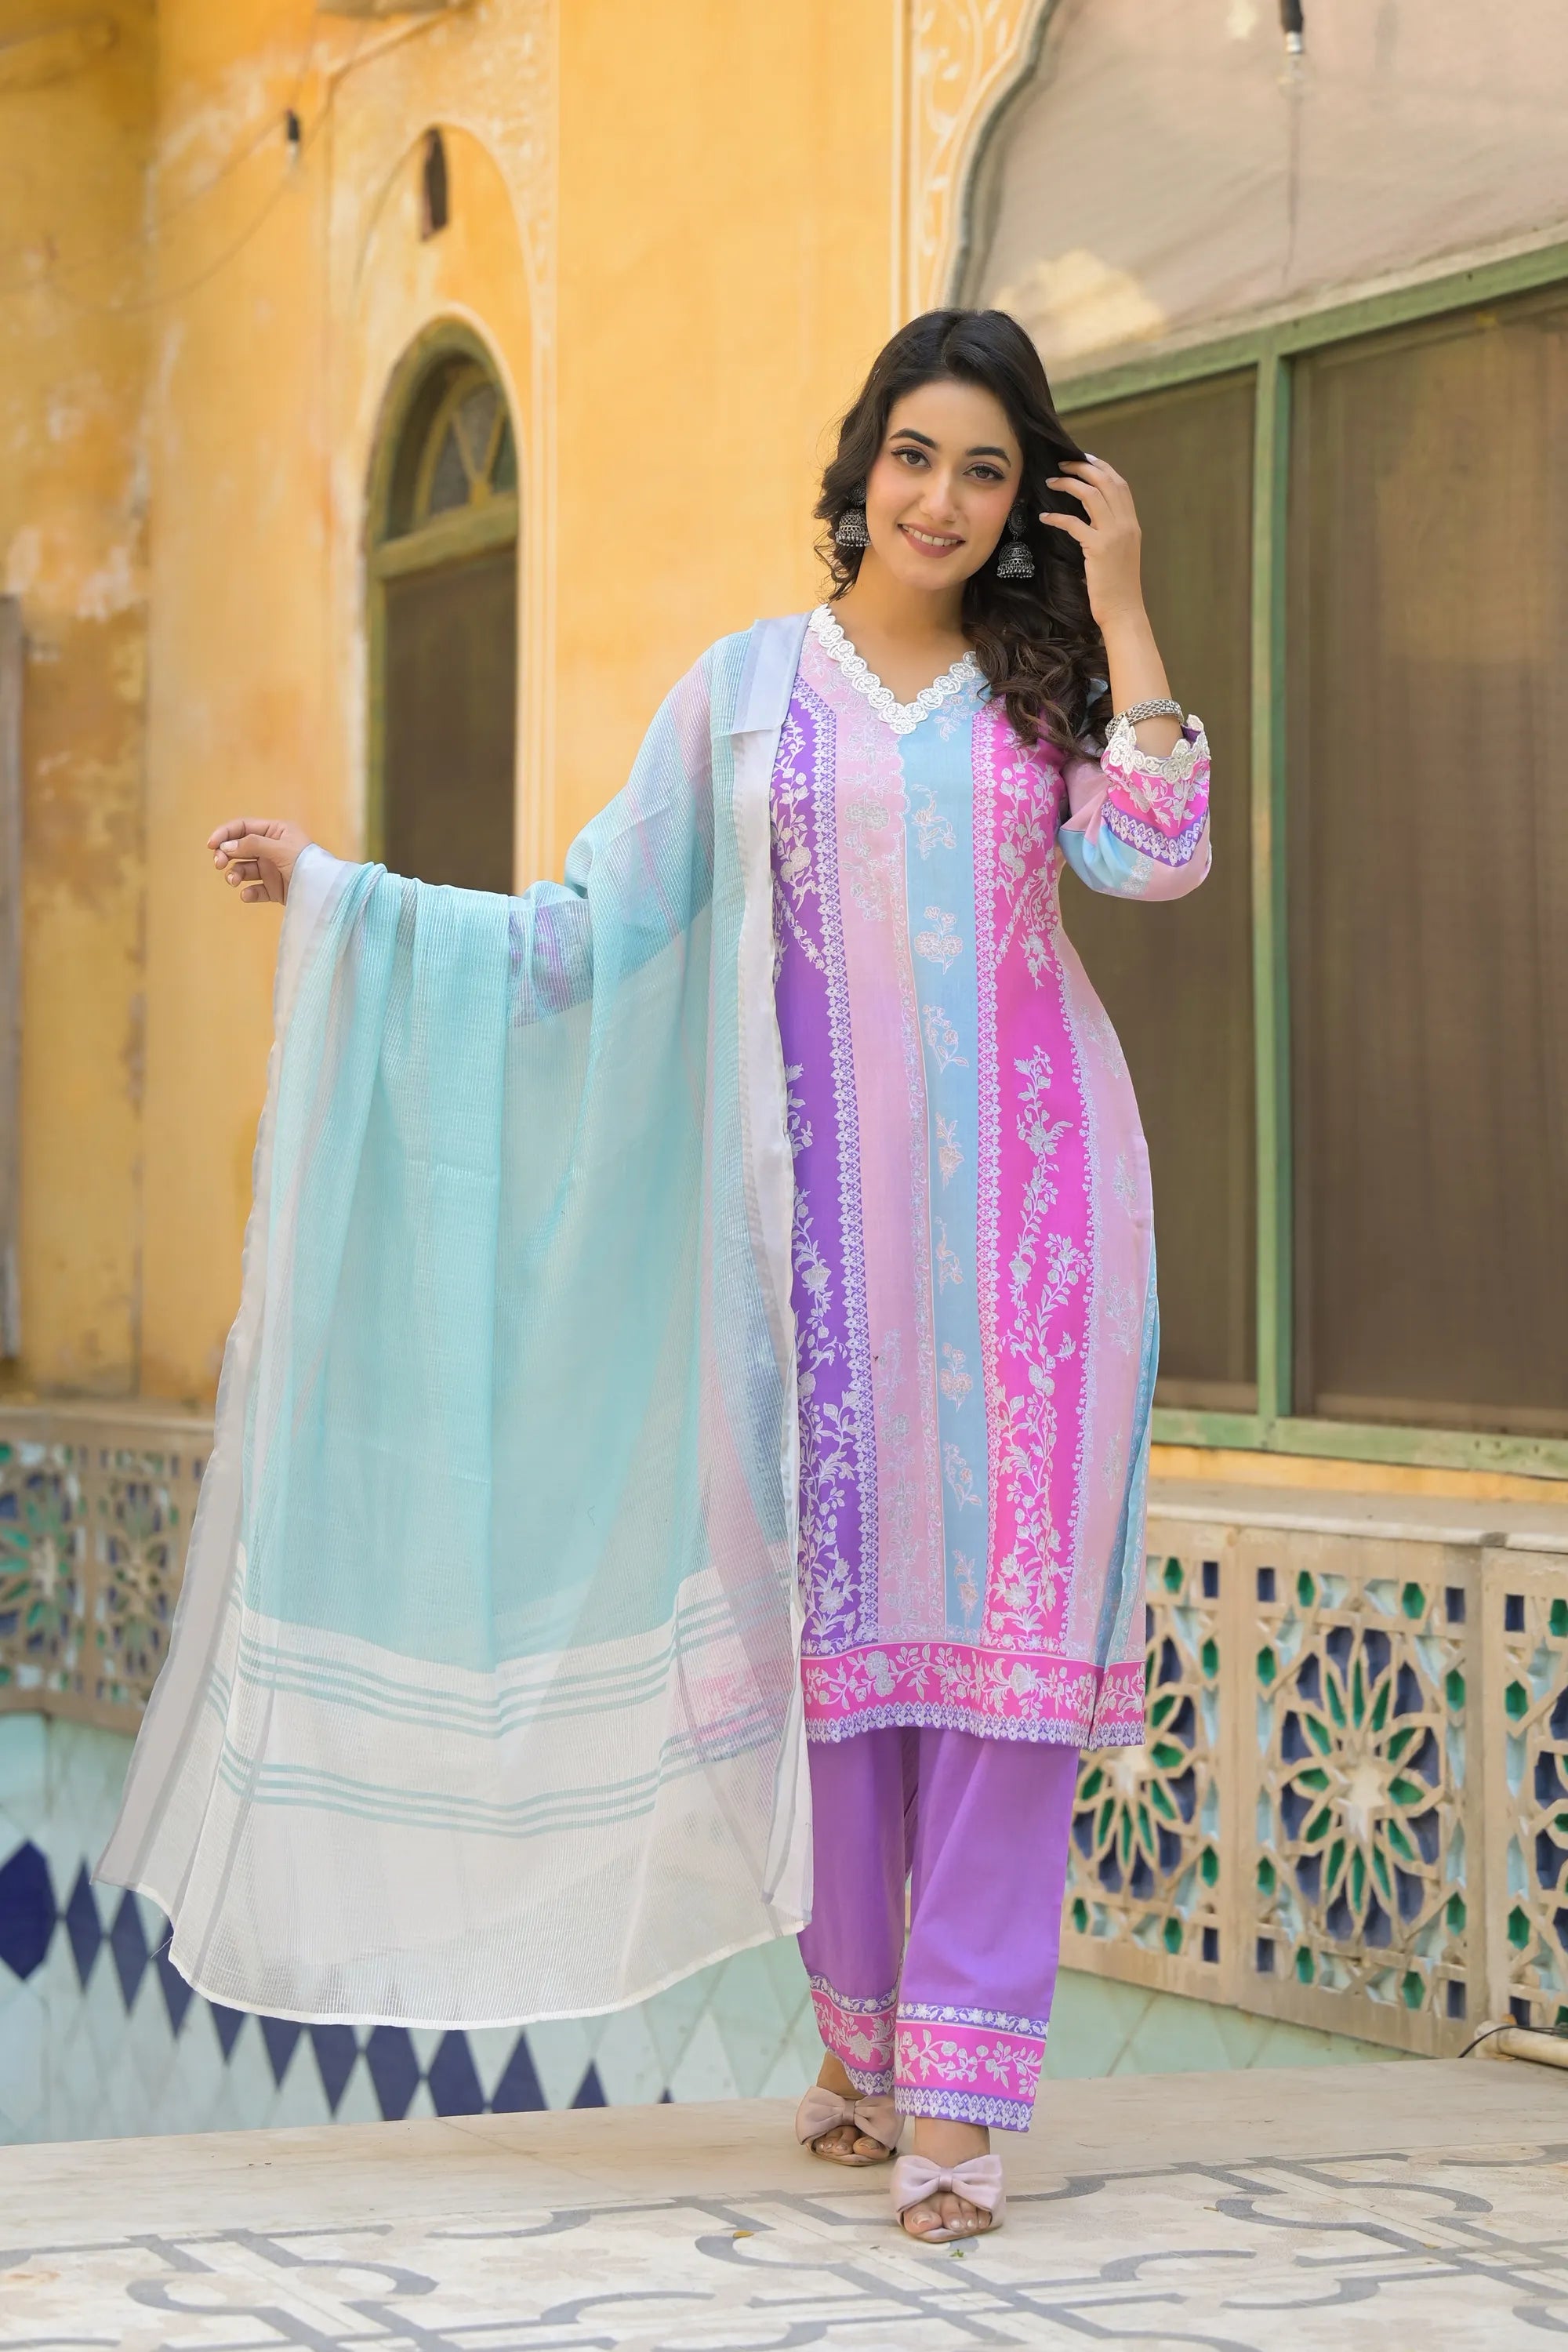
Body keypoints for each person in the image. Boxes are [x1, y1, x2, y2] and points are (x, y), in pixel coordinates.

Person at [103, 310, 1208, 2244]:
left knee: (1006, 1675)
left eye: (983, 470)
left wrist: (1120, 611)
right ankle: (867, 2054)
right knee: (842, 1673)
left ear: (1022, 497)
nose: (941, 501)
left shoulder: (1043, 694)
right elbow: (585, 934)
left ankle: (961, 2109)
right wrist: (351, 898)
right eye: (914, 456)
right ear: (860, 465)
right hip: (813, 1275)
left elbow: (1156, 858)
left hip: (1040, 1254)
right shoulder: (745, 698)